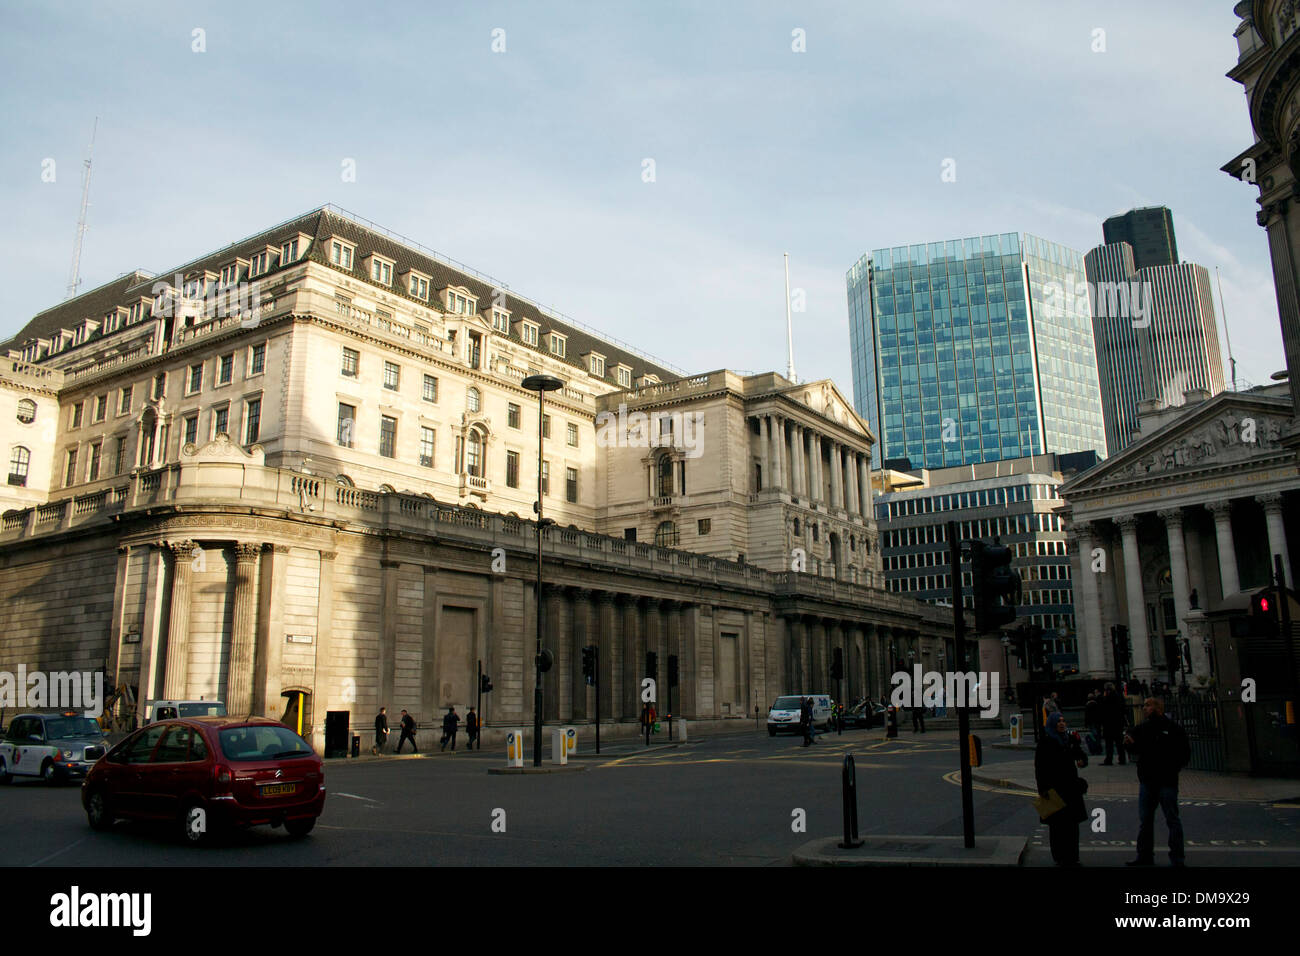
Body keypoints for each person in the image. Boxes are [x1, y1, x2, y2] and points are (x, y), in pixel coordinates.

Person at [1124, 697, 1190, 867]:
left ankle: (1177, 858)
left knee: (1172, 819)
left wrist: (1172, 768)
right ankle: (1144, 856)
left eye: (1148, 705)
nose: (1144, 708)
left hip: (1167, 781)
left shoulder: (1173, 729)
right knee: (1145, 821)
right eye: (1144, 705)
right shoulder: (1143, 728)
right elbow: (1134, 746)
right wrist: (1129, 744)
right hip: (1148, 780)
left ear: (1158, 708)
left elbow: (1184, 754)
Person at [1035, 712, 1088, 866]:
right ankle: (1059, 857)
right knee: (1057, 827)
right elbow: (1040, 768)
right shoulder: (1045, 741)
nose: (1062, 723)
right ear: (1052, 724)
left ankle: (1073, 857)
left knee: (1072, 825)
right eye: (1058, 721)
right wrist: (1043, 790)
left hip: (1071, 788)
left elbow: (1081, 756)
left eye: (1063, 721)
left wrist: (1082, 761)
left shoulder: (1069, 739)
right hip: (1053, 788)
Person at [1100, 683, 1127, 766]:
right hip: (1118, 723)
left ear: (1107, 690)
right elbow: (1123, 709)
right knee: (1119, 743)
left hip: (1109, 724)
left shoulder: (1107, 698)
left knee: (1109, 744)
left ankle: (1109, 759)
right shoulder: (1119, 696)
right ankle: (1122, 759)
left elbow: (1103, 710)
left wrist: (1104, 697)